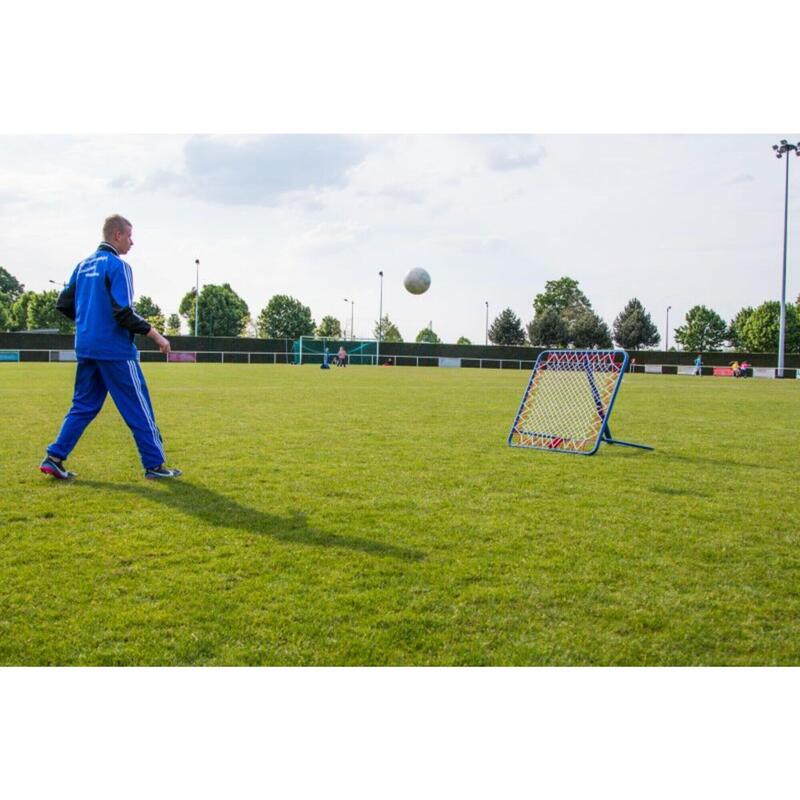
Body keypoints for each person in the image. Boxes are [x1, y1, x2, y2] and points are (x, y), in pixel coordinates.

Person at [39, 215, 182, 480]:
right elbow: (124, 313)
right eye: (129, 236)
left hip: (86, 347)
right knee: (138, 407)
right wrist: (156, 336)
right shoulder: (118, 266)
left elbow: (63, 304)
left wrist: (90, 322)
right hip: (115, 350)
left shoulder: (81, 266)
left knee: (82, 406)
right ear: (116, 235)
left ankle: (54, 457)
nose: (132, 242)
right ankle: (155, 465)